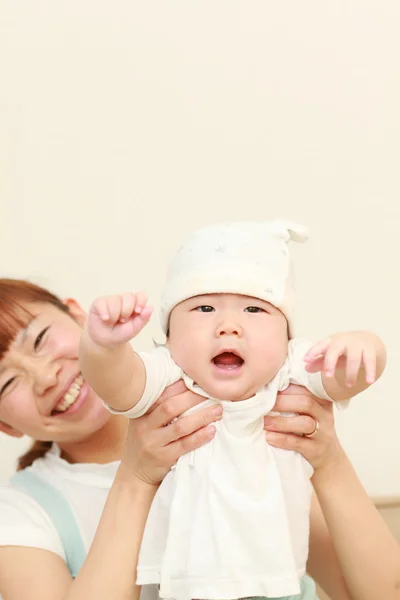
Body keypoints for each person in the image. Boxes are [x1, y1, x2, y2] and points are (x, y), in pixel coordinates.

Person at [0, 277, 399, 600]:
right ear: (5, 426)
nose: (46, 376)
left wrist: (328, 462)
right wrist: (137, 477)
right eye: (8, 383)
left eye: (39, 340)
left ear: (78, 315)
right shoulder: (20, 514)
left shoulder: (235, 420)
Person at [79, 220, 386, 600]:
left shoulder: (289, 373)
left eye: (254, 309)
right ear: (170, 334)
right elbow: (118, 385)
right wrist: (103, 347)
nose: (228, 326)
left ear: (287, 336)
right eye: (204, 308)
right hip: (182, 589)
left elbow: (344, 376)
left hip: (283, 588)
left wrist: (365, 345)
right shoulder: (168, 376)